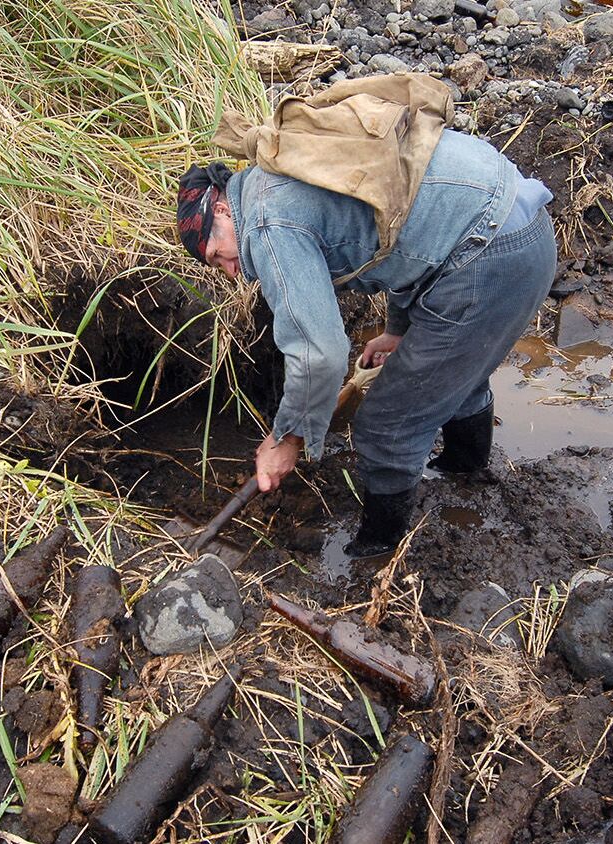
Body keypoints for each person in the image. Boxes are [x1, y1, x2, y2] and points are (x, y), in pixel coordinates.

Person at [177, 128, 555, 559]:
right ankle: (465, 479)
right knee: (455, 371)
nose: (231, 272)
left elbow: (319, 354)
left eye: (217, 254)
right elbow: (399, 230)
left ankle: (376, 553)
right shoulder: (282, 167)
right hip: (519, 221)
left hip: (491, 256)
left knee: (387, 424)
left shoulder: (265, 222)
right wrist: (399, 327)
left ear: (222, 208)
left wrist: (288, 439)